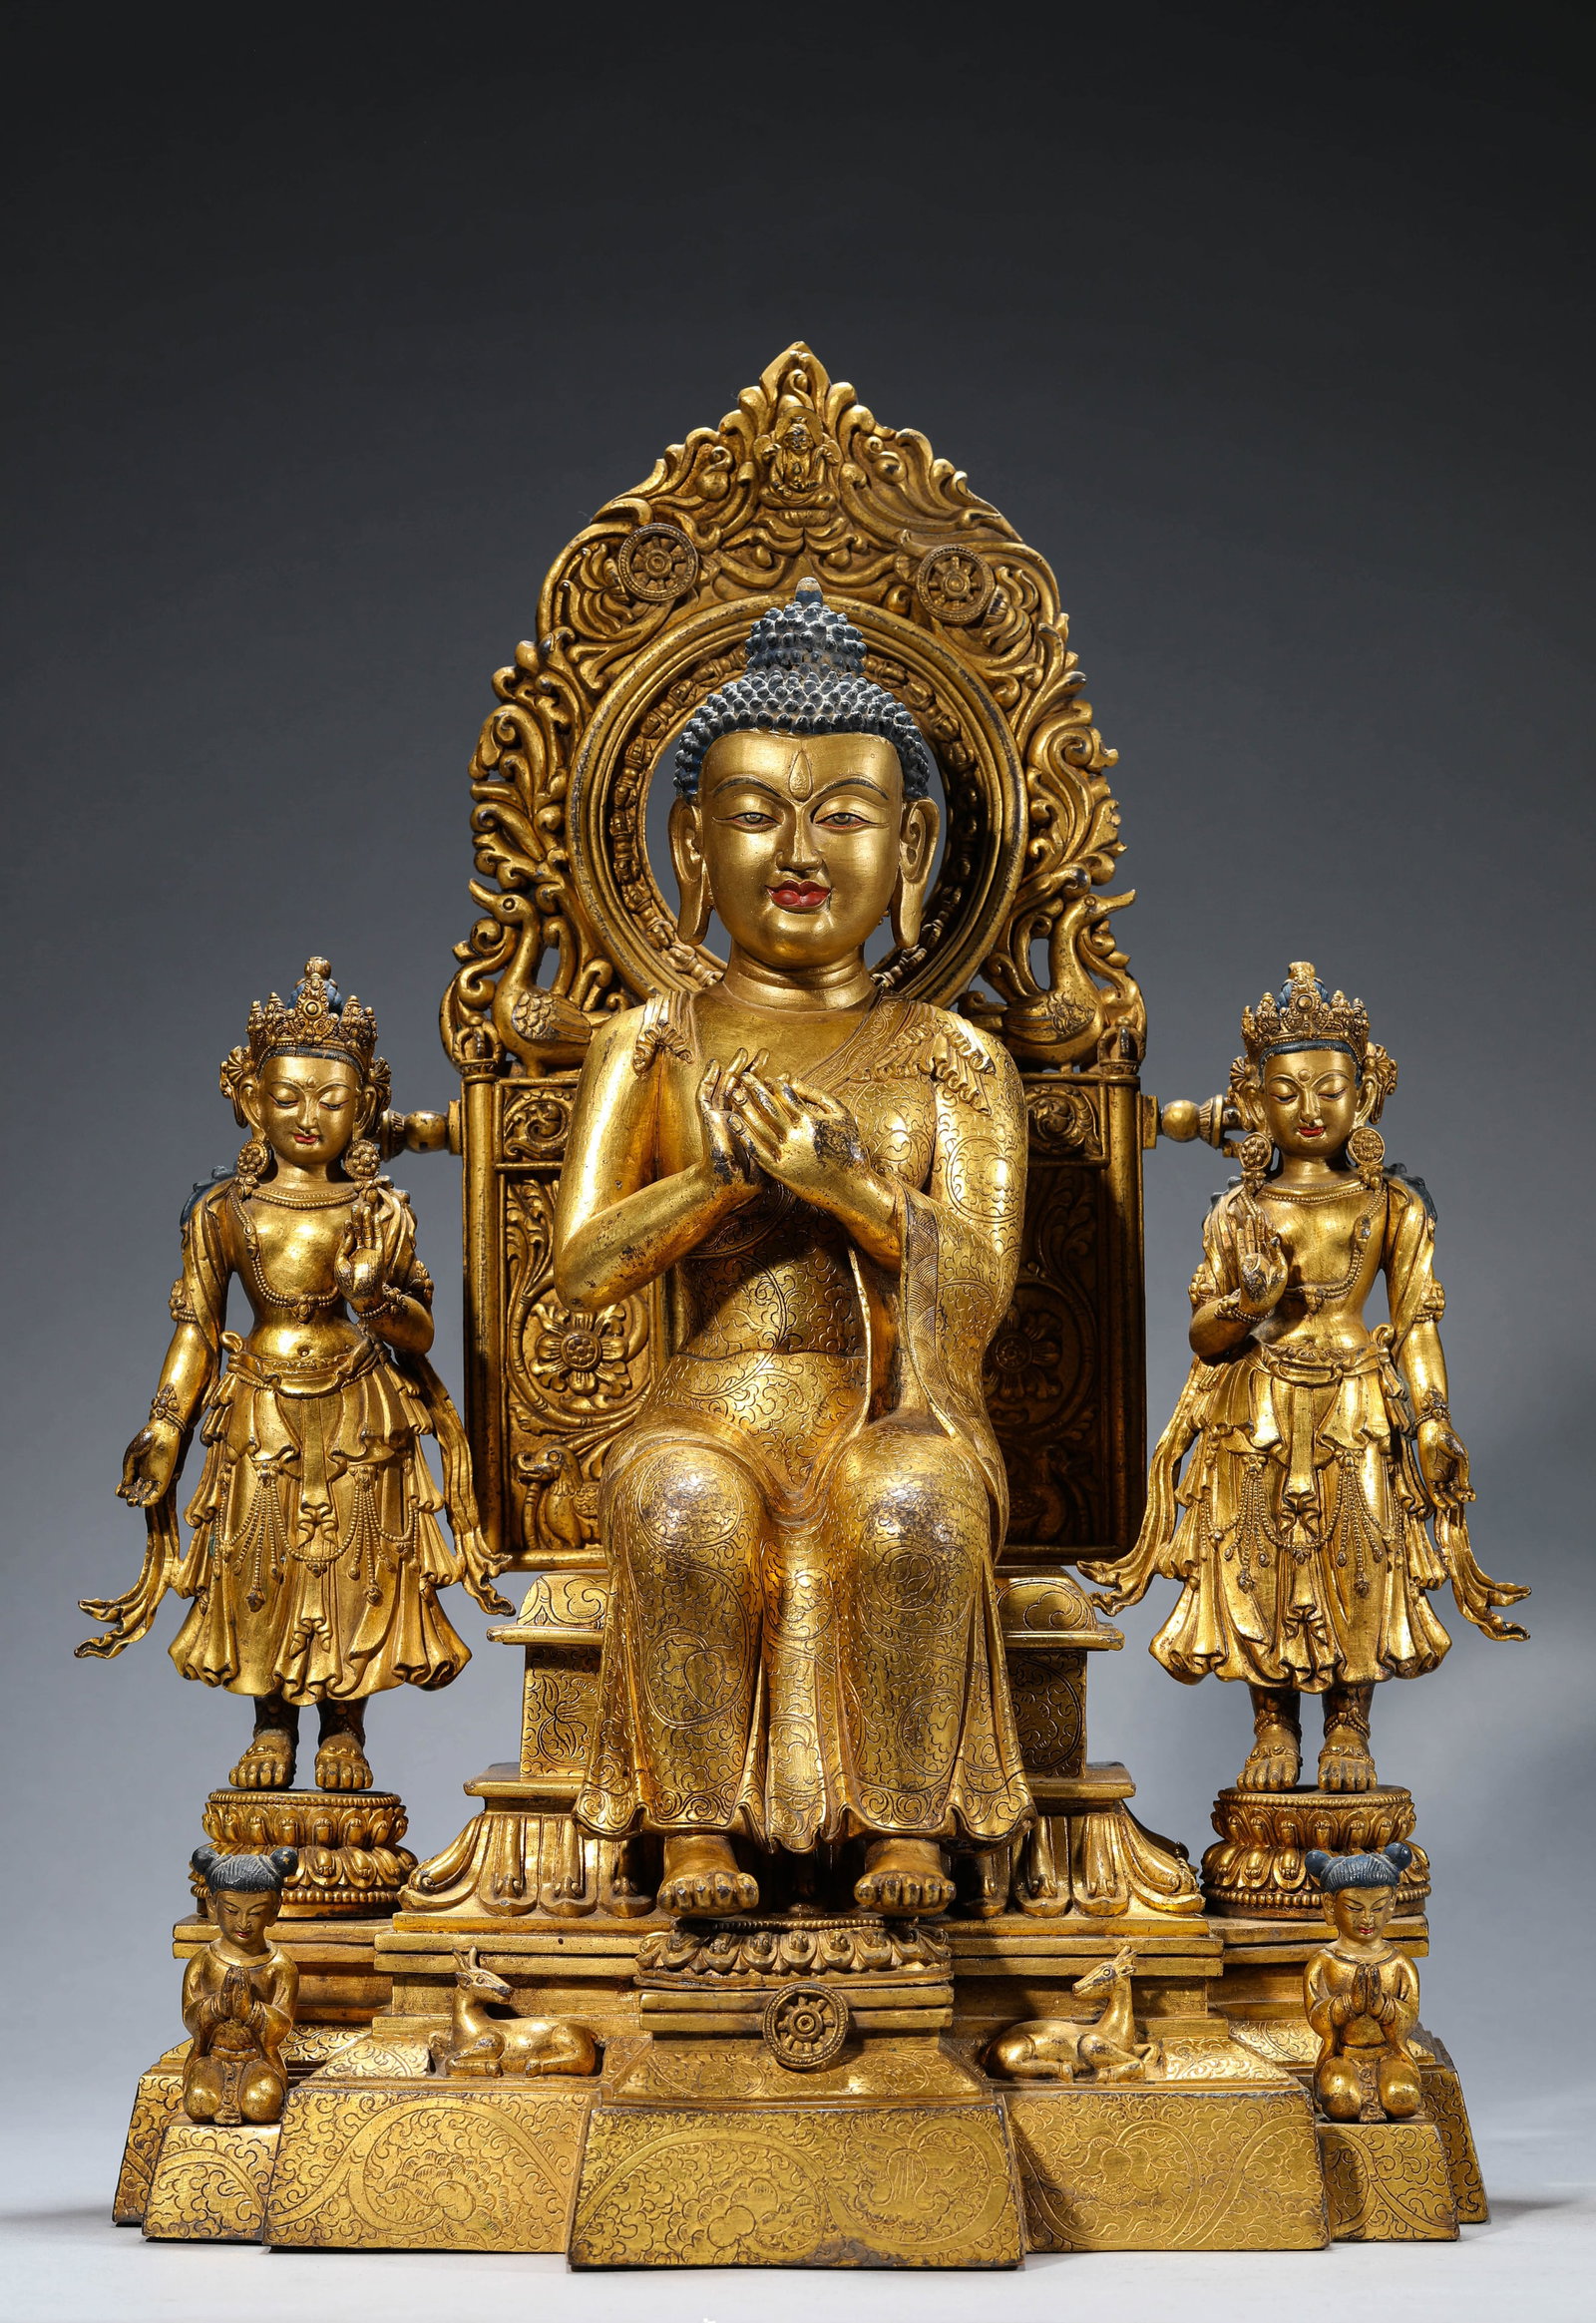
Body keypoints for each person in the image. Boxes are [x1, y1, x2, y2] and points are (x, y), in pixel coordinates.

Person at [558, 582, 1032, 1916]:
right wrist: (714, 1181)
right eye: (757, 812)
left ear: (913, 842)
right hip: (707, 1407)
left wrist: (850, 1188)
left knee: (914, 1504)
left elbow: (980, 1286)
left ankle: (905, 1830)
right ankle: (693, 1833)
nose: (800, 851)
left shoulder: (949, 1058)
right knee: (682, 1505)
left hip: (895, 1405)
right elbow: (584, 1268)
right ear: (691, 843)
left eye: (845, 813)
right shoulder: (650, 1043)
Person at [1085, 964, 1526, 1793]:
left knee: (1359, 1555)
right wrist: (1247, 1304)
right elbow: (1204, 1334)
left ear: (1368, 1095)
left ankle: (1350, 1725)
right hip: (1257, 1405)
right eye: (1286, 1092)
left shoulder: (1392, 1205)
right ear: (1253, 1102)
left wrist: (1434, 1418)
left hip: (1358, 1403)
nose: (1311, 1108)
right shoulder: (1239, 1210)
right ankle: (1273, 1724)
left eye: (1330, 1089)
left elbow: (1418, 1322)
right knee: (1258, 1558)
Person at [79, 960, 508, 1788]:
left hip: (359, 1404)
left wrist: (374, 1298)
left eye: (332, 1100)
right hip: (261, 1407)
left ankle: (345, 1727)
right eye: (288, 1098)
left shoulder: (378, 1209)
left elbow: (420, 1332)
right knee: (260, 1562)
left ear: (366, 1106)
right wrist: (165, 1423)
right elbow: (196, 1331)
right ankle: (271, 1722)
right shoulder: (224, 1213)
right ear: (250, 1100)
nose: (310, 1117)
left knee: (356, 1567)